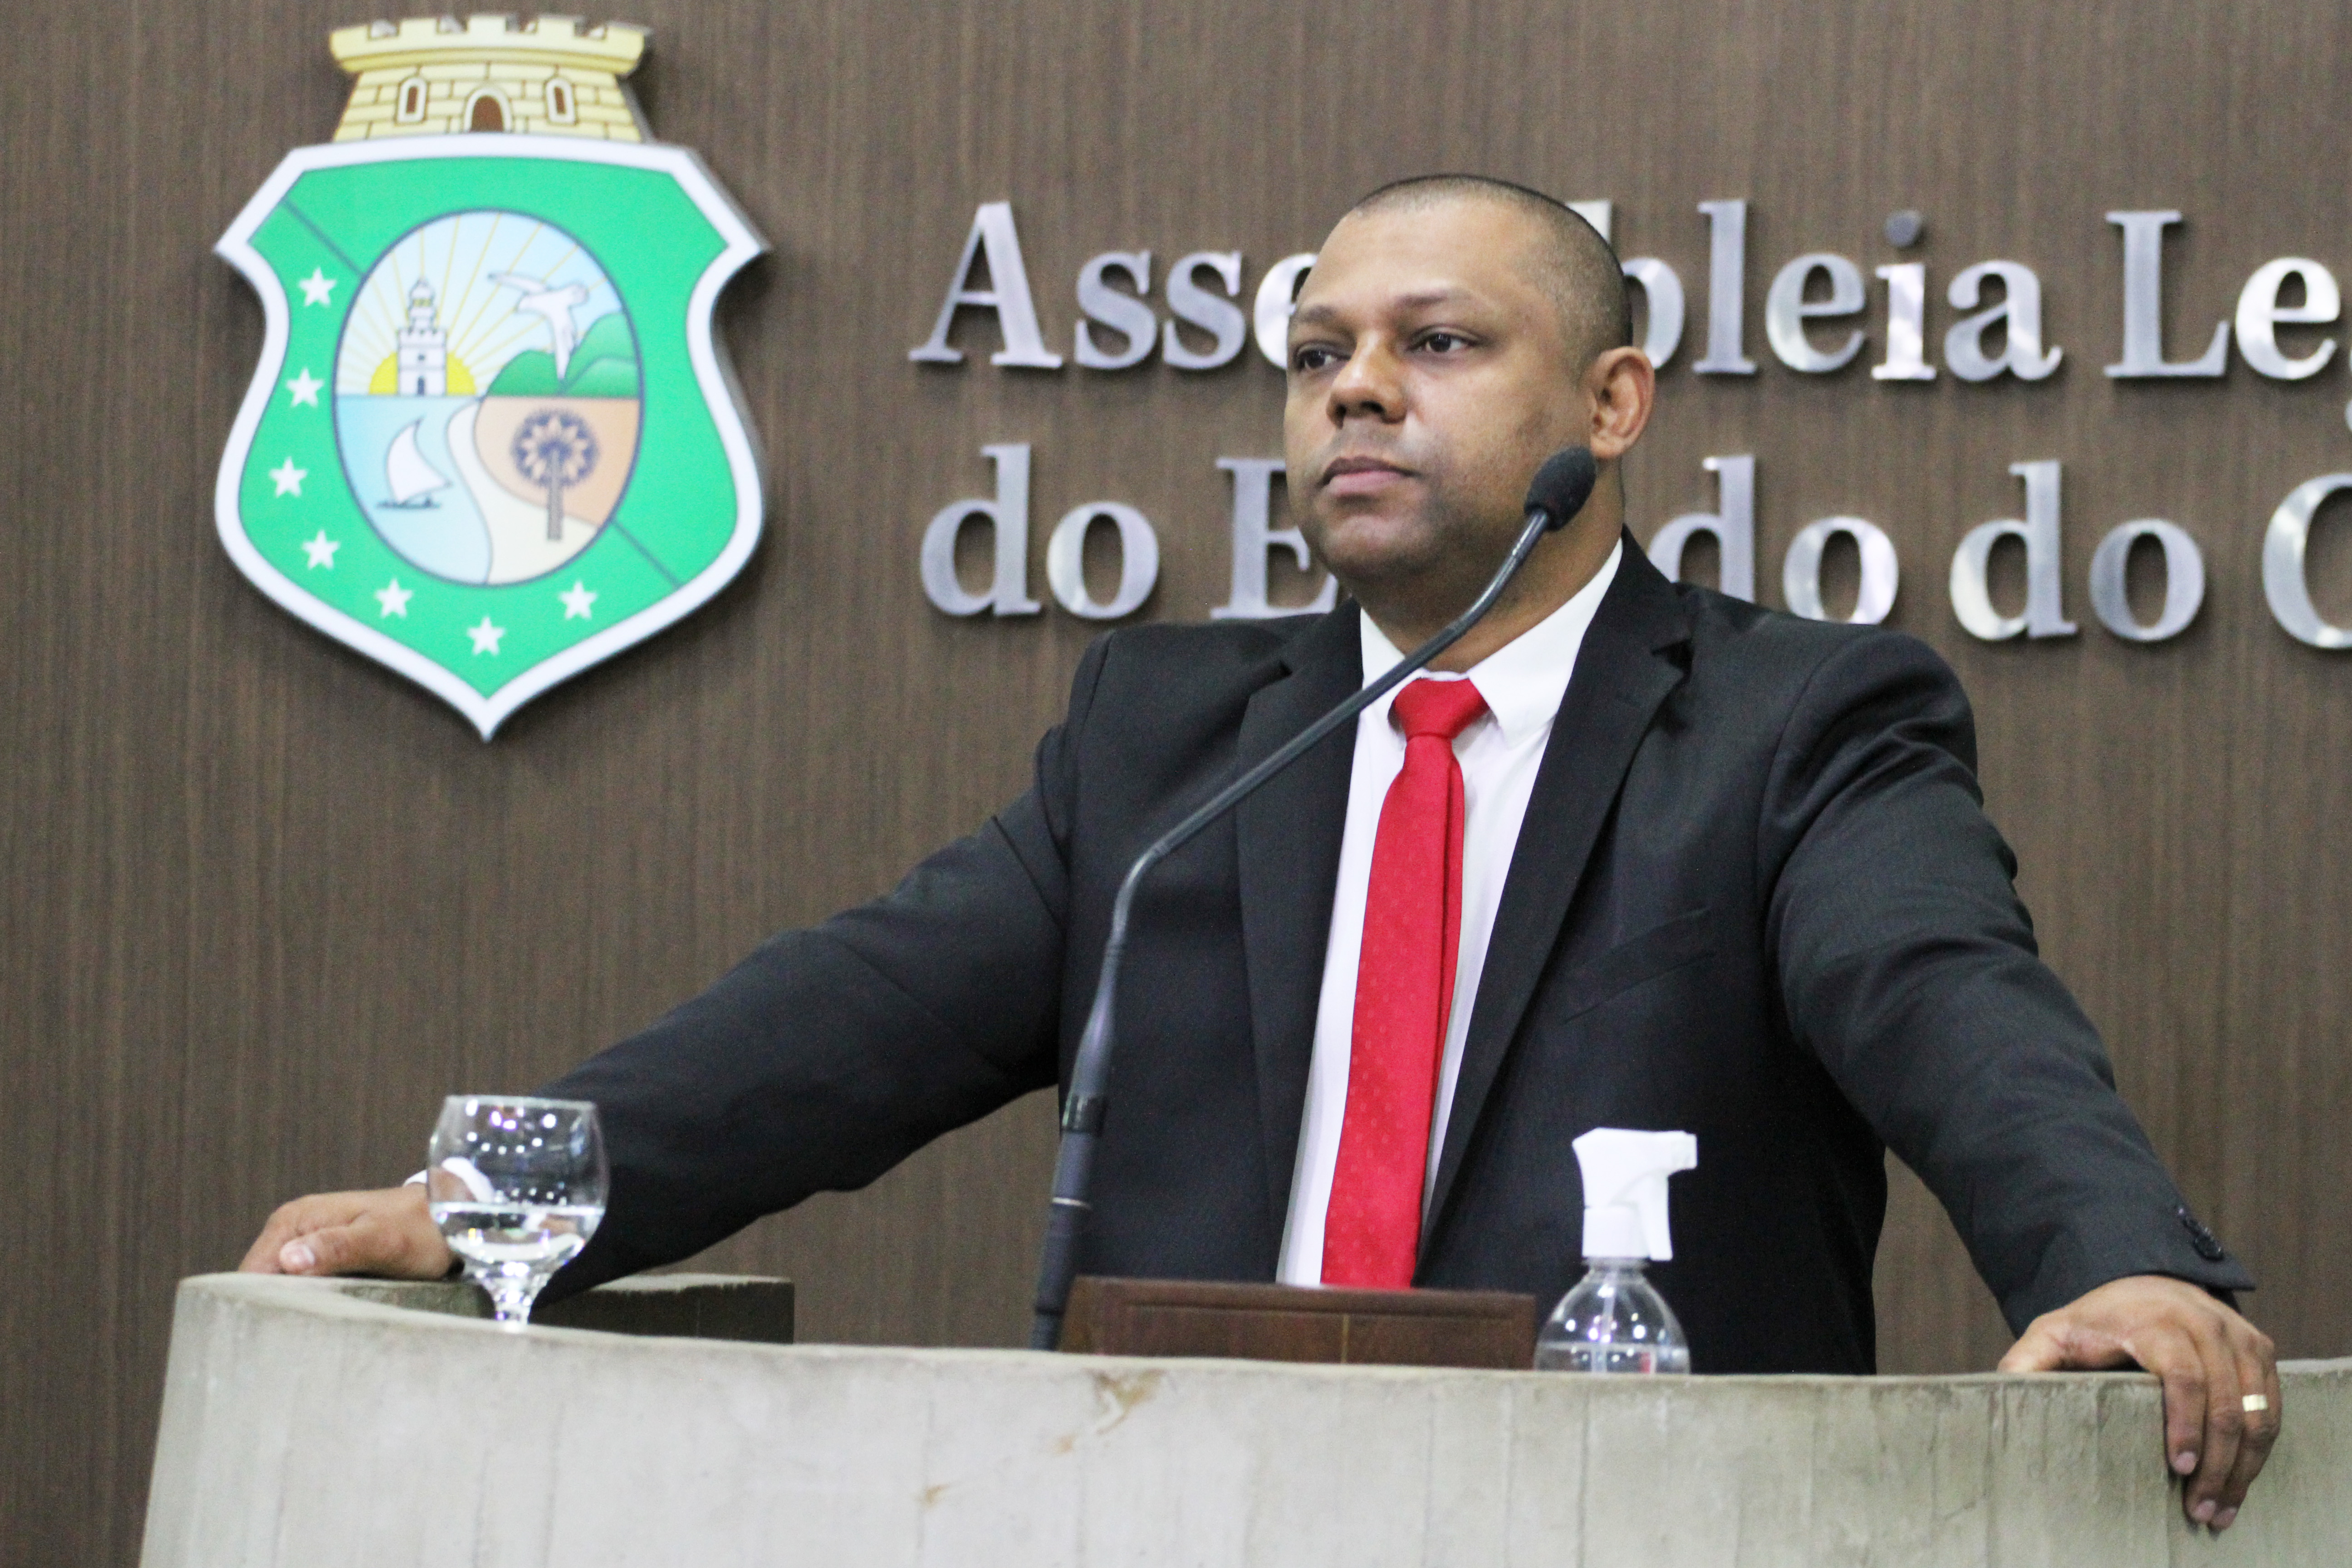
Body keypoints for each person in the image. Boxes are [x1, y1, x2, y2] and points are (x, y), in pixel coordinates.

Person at [242, 175, 2279, 1530]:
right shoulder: (1174, 736)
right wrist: (500, 1196)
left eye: (1437, 346)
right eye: (1317, 356)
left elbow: (1945, 998)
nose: (1356, 392)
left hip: (1630, 1531)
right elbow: (858, 1015)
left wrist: (2110, 1266)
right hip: (1182, 1517)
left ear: (1613, 400)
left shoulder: (1790, 724)